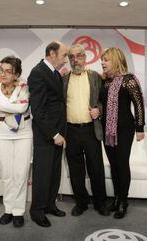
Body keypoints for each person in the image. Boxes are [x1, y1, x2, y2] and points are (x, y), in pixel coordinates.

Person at [63, 44, 109, 217]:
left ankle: (100, 203)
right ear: (69, 59)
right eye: (72, 57)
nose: (76, 60)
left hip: (91, 129)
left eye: (79, 56)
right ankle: (81, 203)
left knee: (96, 168)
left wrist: (99, 110)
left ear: (85, 57)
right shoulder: (64, 79)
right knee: (76, 170)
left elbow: (104, 101)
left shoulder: (96, 77)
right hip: (71, 130)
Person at [99, 47, 145, 219]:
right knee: (113, 165)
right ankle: (117, 198)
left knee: (122, 165)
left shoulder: (129, 80)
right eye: (102, 60)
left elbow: (139, 104)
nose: (102, 63)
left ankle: (124, 202)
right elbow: (101, 104)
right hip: (107, 131)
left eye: (106, 59)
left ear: (116, 60)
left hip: (125, 130)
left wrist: (140, 128)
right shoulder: (105, 82)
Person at [0, 56, 32, 228]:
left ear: (16, 74)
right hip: (2, 135)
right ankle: (9, 209)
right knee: (7, 175)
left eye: (8, 71)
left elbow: (22, 108)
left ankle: (19, 211)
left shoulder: (23, 88)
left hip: (24, 135)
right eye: (1, 70)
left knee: (21, 174)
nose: (3, 74)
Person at [28, 41, 68, 227]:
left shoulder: (54, 73)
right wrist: (54, 134)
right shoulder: (38, 73)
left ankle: (50, 205)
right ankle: (37, 211)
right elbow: (37, 109)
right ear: (52, 53)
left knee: (54, 172)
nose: (65, 59)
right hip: (47, 134)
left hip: (59, 132)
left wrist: (61, 133)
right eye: (64, 55)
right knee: (43, 174)